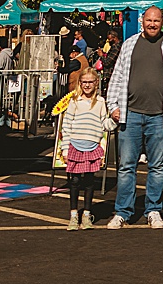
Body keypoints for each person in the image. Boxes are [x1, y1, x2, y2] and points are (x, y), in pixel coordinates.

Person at [105, 5, 163, 228]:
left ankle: (153, 209)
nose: (152, 24)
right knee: (126, 166)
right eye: (149, 20)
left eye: (156, 21)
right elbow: (117, 77)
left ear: (162, 22)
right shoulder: (129, 45)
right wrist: (112, 105)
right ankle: (122, 212)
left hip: (159, 116)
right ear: (142, 22)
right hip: (130, 114)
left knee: (157, 167)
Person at [58, 69, 113, 231]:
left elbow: (105, 124)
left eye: (91, 82)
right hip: (75, 145)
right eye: (84, 82)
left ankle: (87, 215)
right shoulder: (74, 101)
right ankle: (74, 215)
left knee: (89, 182)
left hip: (92, 146)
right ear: (80, 83)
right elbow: (66, 126)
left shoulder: (101, 102)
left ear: (96, 83)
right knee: (74, 181)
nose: (87, 85)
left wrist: (116, 120)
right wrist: (65, 149)